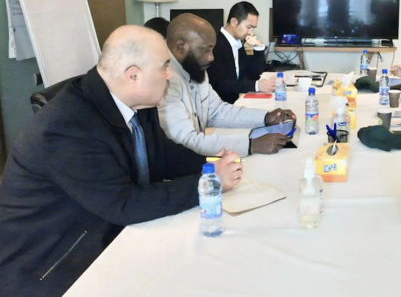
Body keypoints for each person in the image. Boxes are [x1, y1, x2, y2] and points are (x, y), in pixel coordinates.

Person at [0, 26, 243, 297]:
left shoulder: (136, 101)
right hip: (51, 265)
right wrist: (209, 182)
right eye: (164, 67)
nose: (170, 74)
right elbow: (124, 203)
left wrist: (211, 164)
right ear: (133, 75)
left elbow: (163, 155)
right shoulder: (66, 127)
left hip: (108, 234)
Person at [159, 13, 295, 156]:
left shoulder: (195, 67)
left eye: (212, 49)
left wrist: (265, 118)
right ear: (181, 46)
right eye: (205, 50)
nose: (211, 57)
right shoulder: (165, 80)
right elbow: (186, 141)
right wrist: (252, 144)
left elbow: (217, 111)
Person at [207, 1, 274, 104]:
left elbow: (252, 76)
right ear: (234, 21)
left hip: (237, 101)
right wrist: (256, 86)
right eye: (248, 27)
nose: (251, 32)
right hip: (221, 105)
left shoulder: (238, 44)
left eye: (253, 28)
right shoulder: (215, 45)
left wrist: (259, 48)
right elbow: (220, 85)